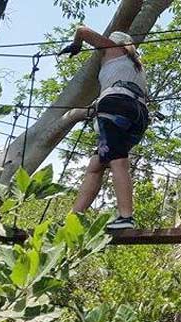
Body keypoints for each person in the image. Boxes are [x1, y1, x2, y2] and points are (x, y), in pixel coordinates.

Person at [58, 26, 149, 230]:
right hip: (139, 114)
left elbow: (81, 30)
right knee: (96, 165)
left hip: (115, 105)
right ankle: (73, 218)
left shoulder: (113, 49)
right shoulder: (137, 67)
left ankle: (126, 217)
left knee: (117, 161)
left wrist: (76, 45)